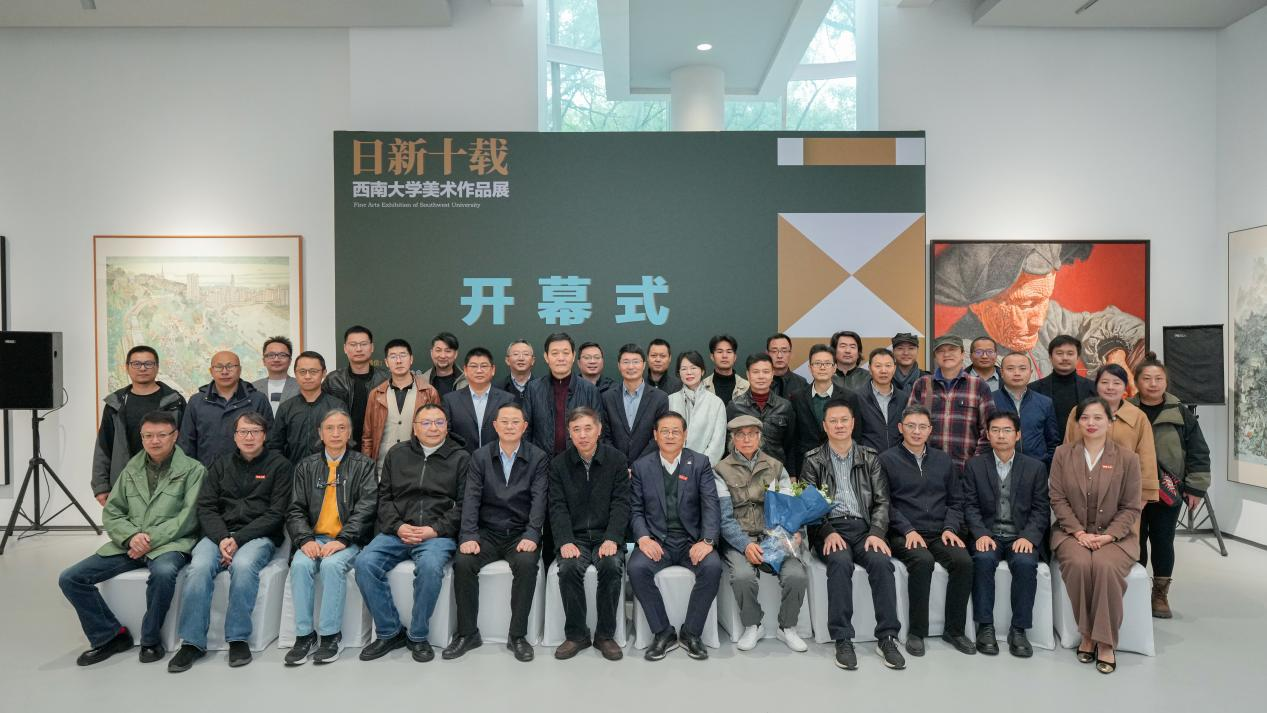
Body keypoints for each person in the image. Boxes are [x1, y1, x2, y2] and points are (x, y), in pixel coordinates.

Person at [59, 411, 204, 666]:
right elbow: (113, 512)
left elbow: (188, 518)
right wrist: (131, 537)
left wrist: (148, 540)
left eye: (161, 435)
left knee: (163, 573)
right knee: (71, 578)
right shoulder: (131, 469)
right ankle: (110, 635)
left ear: (175, 436)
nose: (154, 441)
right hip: (129, 544)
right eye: (148, 436)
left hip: (170, 544)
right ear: (142, 437)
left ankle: (150, 640)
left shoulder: (194, 470)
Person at [169, 411, 292, 672]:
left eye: (255, 432)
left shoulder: (280, 466)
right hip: (219, 534)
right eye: (243, 432)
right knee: (199, 567)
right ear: (234, 436)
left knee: (244, 566)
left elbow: (276, 514)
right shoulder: (220, 464)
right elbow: (206, 507)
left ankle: (238, 638)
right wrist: (223, 537)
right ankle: (192, 643)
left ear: (264, 435)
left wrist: (237, 539)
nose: (249, 437)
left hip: (258, 535)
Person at [355, 403, 468, 663]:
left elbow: (465, 505)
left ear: (447, 427)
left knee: (430, 567)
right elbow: (384, 498)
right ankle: (389, 632)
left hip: (436, 534)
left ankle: (417, 636)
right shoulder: (397, 454)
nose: (433, 428)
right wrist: (398, 526)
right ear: (414, 428)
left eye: (439, 422)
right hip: (397, 531)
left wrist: (434, 530)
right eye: (426, 423)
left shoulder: (461, 458)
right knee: (364, 563)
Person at [933, 242, 1145, 378]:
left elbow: (1094, 323)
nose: (1037, 320)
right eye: (1027, 305)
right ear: (979, 304)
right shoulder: (958, 363)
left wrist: (1113, 351)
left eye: (1043, 301)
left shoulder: (1049, 318)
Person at [800, 398, 905, 671]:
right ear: (824, 426)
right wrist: (826, 531)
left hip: (865, 529)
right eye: (833, 421)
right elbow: (809, 504)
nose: (839, 425)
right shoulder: (813, 460)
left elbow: (882, 501)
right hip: (831, 528)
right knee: (839, 562)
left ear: (853, 423)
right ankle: (843, 638)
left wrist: (877, 532)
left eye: (844, 420)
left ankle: (887, 637)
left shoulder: (870, 457)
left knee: (881, 563)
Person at [445, 402, 549, 663]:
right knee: (463, 562)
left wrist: (532, 534)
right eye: (504, 421)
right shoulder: (480, 457)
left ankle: (517, 636)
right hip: (487, 532)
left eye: (516, 422)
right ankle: (468, 633)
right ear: (495, 425)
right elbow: (471, 498)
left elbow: (539, 500)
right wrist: (469, 535)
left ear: (525, 427)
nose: (510, 426)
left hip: (520, 533)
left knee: (527, 564)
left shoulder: (538, 457)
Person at [1049, 397, 1143, 675]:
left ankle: (1105, 641)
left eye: (1098, 418)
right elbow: (1057, 498)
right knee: (1079, 564)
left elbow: (1131, 507)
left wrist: (1109, 536)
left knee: (1104, 566)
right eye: (1085, 418)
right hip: (1071, 532)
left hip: (1115, 537)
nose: (1091, 423)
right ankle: (1087, 635)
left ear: (1110, 422)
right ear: (1078, 423)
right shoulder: (1062, 454)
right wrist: (1078, 531)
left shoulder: (1128, 459)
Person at [283, 409, 378, 666]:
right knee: (300, 565)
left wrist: (343, 539)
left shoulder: (364, 465)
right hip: (313, 539)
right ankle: (304, 636)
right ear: (320, 433)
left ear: (350, 433)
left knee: (332, 565)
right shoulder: (306, 466)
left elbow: (367, 508)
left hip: (349, 541)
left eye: (341, 428)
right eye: (330, 428)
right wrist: (305, 540)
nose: (336, 433)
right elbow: (295, 509)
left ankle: (330, 636)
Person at [628, 412, 723, 661]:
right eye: (665, 431)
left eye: (676, 431)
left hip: (692, 541)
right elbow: (635, 509)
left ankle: (691, 633)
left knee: (712, 567)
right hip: (657, 541)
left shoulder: (700, 463)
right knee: (636, 568)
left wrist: (707, 541)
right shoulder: (641, 466)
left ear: (685, 435)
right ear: (655, 435)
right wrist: (643, 538)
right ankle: (663, 632)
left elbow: (711, 505)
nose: (670, 436)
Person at [881, 405, 975, 657]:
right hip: (904, 532)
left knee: (964, 562)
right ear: (900, 428)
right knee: (922, 562)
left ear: (930, 430)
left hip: (940, 531)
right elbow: (884, 503)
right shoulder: (887, 460)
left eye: (922, 426)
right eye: (911, 426)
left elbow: (956, 501)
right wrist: (907, 529)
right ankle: (916, 632)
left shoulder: (943, 460)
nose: (916, 431)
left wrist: (950, 528)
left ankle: (954, 630)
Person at [714, 415, 808, 653]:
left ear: (760, 437)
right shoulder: (720, 470)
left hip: (774, 537)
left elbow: (789, 508)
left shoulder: (776, 467)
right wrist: (744, 544)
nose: (746, 439)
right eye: (740, 435)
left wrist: (794, 533)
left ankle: (787, 627)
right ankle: (753, 625)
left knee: (796, 575)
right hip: (740, 538)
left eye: (752, 434)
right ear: (733, 439)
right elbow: (724, 518)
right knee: (742, 577)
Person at [962, 410, 1049, 658]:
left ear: (1018, 435)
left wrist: (1028, 537)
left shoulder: (1035, 467)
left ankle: (1019, 629)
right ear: (988, 435)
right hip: (988, 534)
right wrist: (980, 533)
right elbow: (970, 505)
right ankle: (985, 626)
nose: (1001, 435)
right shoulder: (975, 465)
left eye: (1007, 430)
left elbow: (1041, 509)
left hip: (1020, 535)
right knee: (982, 560)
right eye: (996, 430)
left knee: (1025, 563)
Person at [1130, 354, 1211, 618]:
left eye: (1159, 378)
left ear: (1166, 382)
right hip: (1133, 489)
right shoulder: (1126, 409)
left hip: (1168, 489)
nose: (1153, 384)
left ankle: (1160, 594)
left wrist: (1195, 487)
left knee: (1163, 540)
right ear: (1137, 382)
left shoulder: (1181, 413)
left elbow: (1198, 451)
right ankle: (1136, 591)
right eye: (1147, 378)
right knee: (1135, 540)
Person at [548, 407, 630, 661]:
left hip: (606, 535)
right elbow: (557, 506)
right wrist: (565, 540)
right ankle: (576, 635)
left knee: (611, 566)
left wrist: (612, 538)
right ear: (569, 433)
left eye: (587, 428)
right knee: (568, 568)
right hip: (576, 537)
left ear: (599, 429)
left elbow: (621, 503)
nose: (582, 435)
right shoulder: (559, 464)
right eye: (576, 430)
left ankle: (605, 635)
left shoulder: (616, 460)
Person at [92, 345, 187, 506]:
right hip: (126, 482)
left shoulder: (175, 402)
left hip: (168, 483)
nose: (142, 368)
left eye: (148, 364)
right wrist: (101, 486)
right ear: (127, 367)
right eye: (136, 364)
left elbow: (186, 444)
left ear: (157, 367)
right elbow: (104, 445)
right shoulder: (116, 404)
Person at [1063, 364, 1159, 505]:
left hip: (1124, 493)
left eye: (1116, 383)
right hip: (1081, 492)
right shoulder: (1079, 412)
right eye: (1104, 382)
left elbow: (1146, 458)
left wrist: (1142, 498)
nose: (1110, 387)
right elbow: (1067, 451)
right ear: (1096, 385)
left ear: (1125, 387)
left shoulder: (1138, 417)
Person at [907, 335, 992, 473]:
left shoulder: (978, 386)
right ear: (935, 357)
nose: (946, 354)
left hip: (966, 470)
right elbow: (909, 427)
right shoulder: (922, 384)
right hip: (927, 469)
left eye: (952, 349)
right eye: (941, 351)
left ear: (962, 354)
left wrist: (975, 464)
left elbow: (988, 430)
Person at [179, 351, 274, 467]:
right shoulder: (197, 401)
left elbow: (270, 440)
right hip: (207, 473)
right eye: (219, 367)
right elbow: (186, 443)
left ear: (239, 370)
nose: (224, 371)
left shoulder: (257, 400)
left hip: (249, 471)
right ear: (211, 371)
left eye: (230, 366)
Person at [361, 339, 439, 470]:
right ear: (386, 362)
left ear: (411, 359)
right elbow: (367, 437)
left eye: (403, 355)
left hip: (418, 468)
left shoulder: (429, 392)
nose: (398, 361)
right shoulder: (376, 394)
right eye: (393, 356)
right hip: (382, 468)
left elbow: (437, 434)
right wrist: (366, 470)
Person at [523, 333, 602, 458]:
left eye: (566, 353)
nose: (561, 358)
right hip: (541, 462)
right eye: (555, 353)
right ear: (546, 357)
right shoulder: (533, 388)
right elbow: (525, 429)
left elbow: (598, 431)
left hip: (579, 461)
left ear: (573, 356)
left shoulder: (590, 390)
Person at [792, 344, 863, 473]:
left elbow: (856, 435)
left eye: (827, 363)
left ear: (834, 368)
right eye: (817, 363)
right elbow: (792, 438)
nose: (822, 367)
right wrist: (792, 472)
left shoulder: (849, 397)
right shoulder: (797, 397)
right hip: (805, 466)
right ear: (810, 368)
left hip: (841, 464)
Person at [269, 351, 347, 464]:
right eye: (302, 372)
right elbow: (275, 446)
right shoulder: (286, 408)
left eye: (313, 371)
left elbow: (346, 442)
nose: (307, 376)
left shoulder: (337, 406)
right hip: (293, 470)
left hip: (329, 471)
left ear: (324, 373)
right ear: (295, 374)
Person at [600, 343, 669, 463]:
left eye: (636, 362)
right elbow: (605, 436)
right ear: (619, 365)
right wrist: (619, 464)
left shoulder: (660, 398)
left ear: (644, 365)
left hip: (649, 466)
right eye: (626, 362)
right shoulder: (607, 397)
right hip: (615, 466)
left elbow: (658, 436)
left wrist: (638, 465)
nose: (631, 367)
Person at [726, 353, 796, 473]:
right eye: (756, 372)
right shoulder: (735, 406)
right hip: (742, 472)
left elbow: (791, 444)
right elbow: (728, 444)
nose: (761, 376)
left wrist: (792, 473)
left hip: (776, 470)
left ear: (772, 374)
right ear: (748, 375)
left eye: (766, 372)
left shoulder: (784, 406)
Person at [322, 325, 388, 449]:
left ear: (372, 347)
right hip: (342, 445)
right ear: (345, 348)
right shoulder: (333, 380)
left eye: (363, 344)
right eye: (353, 344)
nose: (358, 349)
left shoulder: (386, 379)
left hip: (377, 445)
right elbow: (323, 415)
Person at [443, 347, 515, 454]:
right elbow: (445, 434)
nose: (479, 370)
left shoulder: (507, 399)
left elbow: (513, 432)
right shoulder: (450, 400)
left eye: (484, 366)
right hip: (462, 460)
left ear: (493, 370)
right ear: (465, 370)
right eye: (473, 366)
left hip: (497, 459)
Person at [993, 352, 1059, 465]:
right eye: (1010, 369)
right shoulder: (989, 400)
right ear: (1002, 373)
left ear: (1031, 372)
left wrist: (1045, 466)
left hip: (1036, 468)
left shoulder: (1045, 402)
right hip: (999, 467)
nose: (1017, 373)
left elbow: (1053, 442)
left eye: (1022, 369)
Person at [1030, 334, 1097, 439]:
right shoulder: (1033, 389)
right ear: (1050, 357)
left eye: (1070, 353)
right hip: (1046, 446)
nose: (1065, 358)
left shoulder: (1093, 388)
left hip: (1082, 444)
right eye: (1059, 353)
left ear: (1078, 358)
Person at [668, 351, 728, 466]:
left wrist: (700, 467)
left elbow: (717, 443)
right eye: (684, 369)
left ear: (702, 371)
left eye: (693, 368)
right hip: (673, 466)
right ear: (679, 373)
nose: (689, 372)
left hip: (705, 467)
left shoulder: (716, 403)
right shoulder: (670, 400)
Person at [856, 348, 907, 454]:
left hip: (897, 458)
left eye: (888, 365)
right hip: (867, 459)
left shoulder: (904, 398)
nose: (883, 370)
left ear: (894, 368)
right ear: (870, 369)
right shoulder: (858, 397)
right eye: (878, 366)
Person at [252, 336, 299, 415]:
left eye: (282, 355)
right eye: (271, 355)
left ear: (290, 361)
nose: (276, 359)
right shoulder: (253, 387)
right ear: (264, 361)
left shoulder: (300, 386)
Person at [702, 334, 748, 406]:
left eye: (729, 352)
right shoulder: (702, 387)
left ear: (735, 357)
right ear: (712, 357)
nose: (724, 356)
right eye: (720, 352)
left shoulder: (747, 387)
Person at [421, 332, 467, 397]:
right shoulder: (421, 382)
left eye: (448, 351)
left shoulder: (468, 382)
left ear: (455, 354)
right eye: (438, 350)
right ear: (431, 353)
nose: (443, 356)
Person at [767, 333, 809, 401]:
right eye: (774, 351)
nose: (779, 356)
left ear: (790, 354)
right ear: (767, 354)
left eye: (784, 351)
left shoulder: (801, 383)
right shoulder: (760, 381)